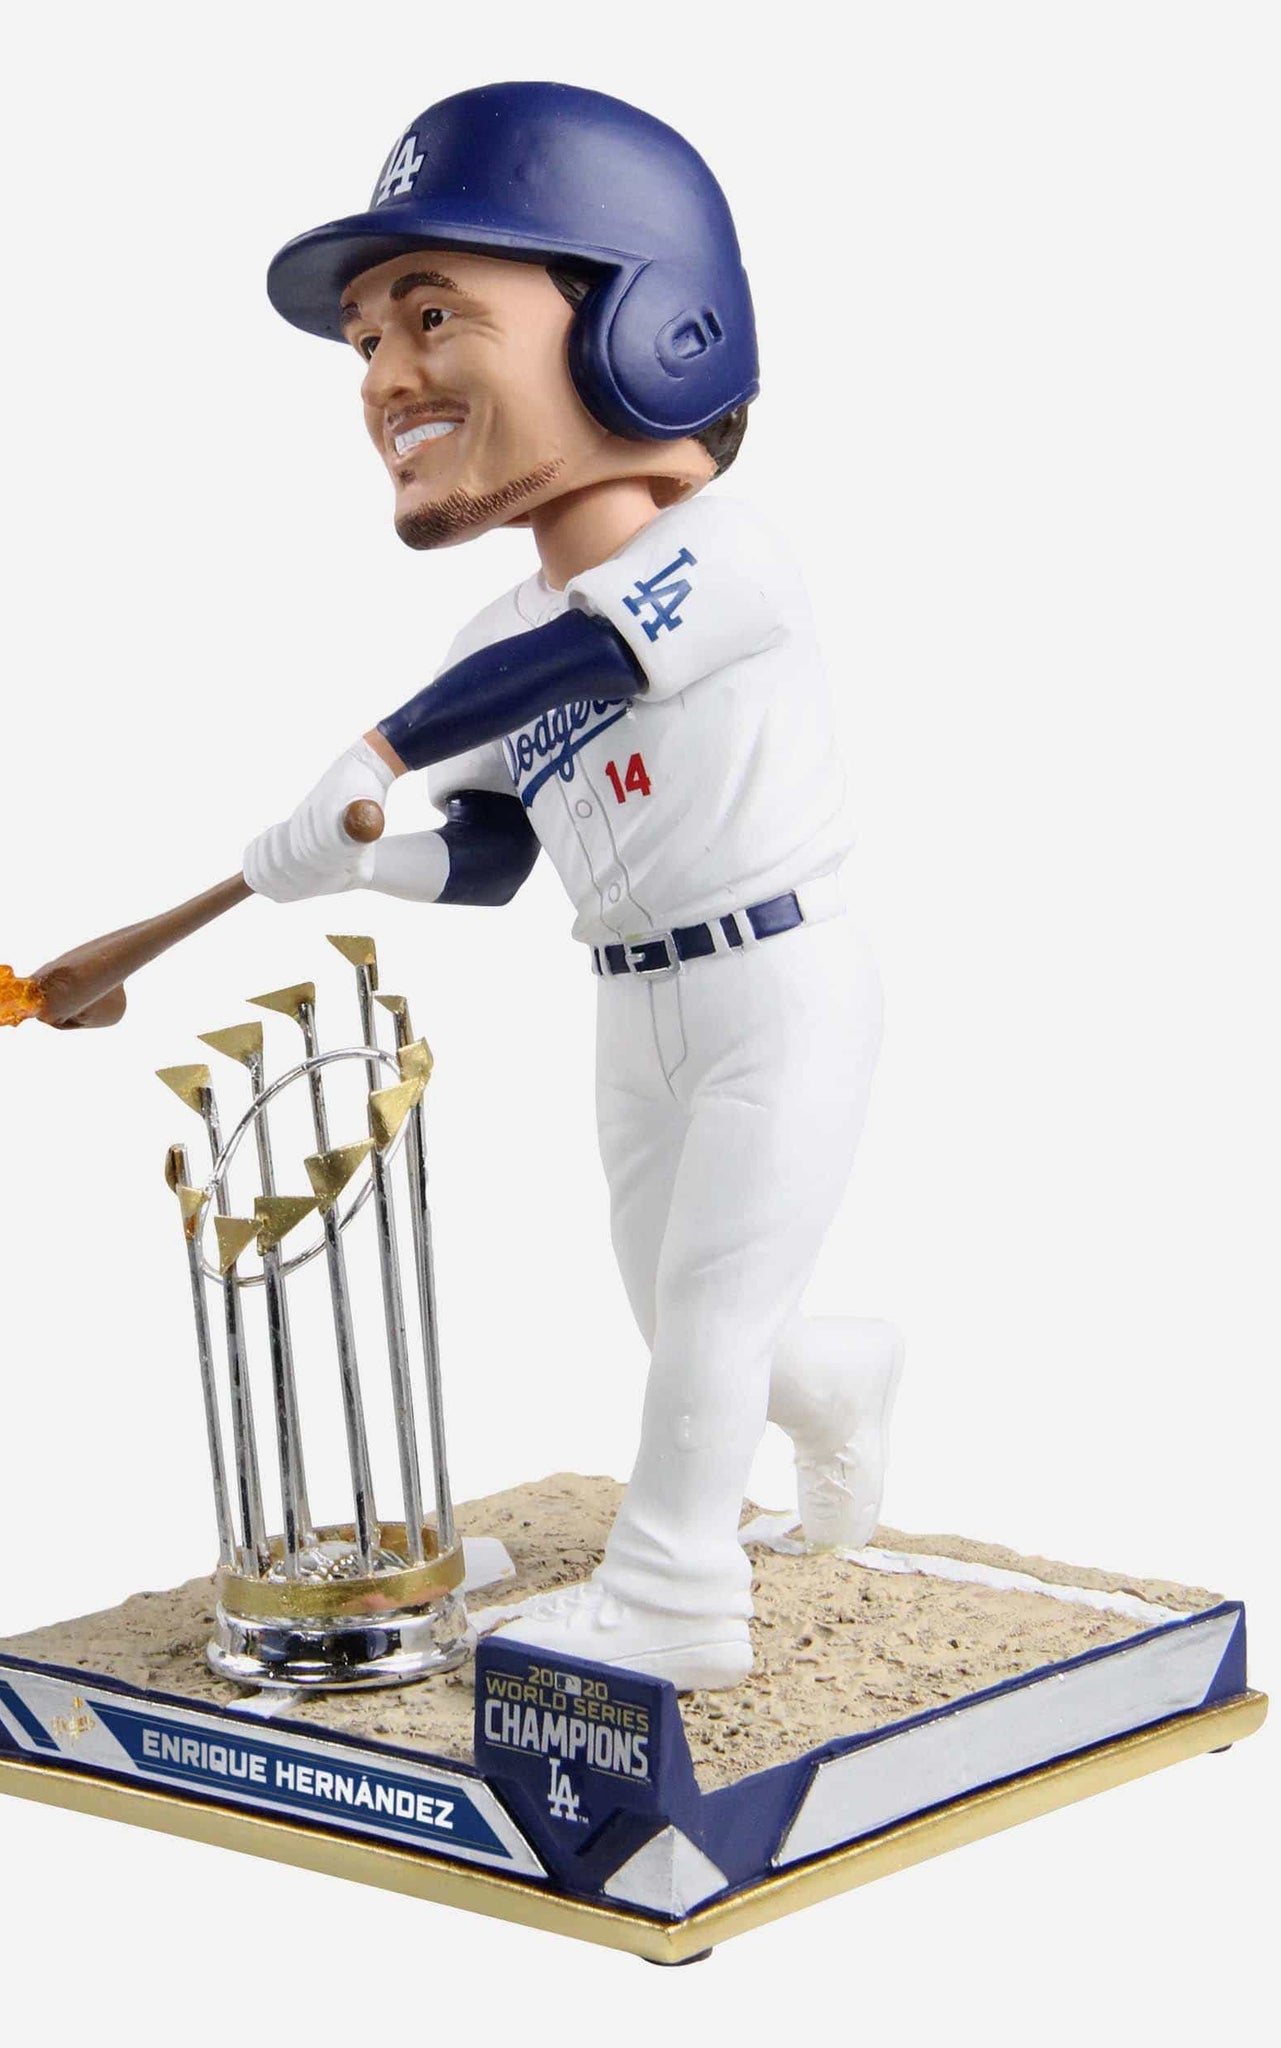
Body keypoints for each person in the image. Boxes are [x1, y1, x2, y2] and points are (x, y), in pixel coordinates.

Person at [243, 83, 902, 1689]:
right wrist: (368, 855)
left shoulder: (727, 555)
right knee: (687, 1321)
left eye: (433, 316)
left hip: (776, 989)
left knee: (707, 1315)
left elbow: (594, 656)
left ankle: (676, 1594)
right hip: (630, 1002)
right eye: (365, 341)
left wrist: (379, 746)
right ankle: (841, 1382)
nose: (384, 375)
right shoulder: (489, 644)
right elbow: (494, 856)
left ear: (642, 331)